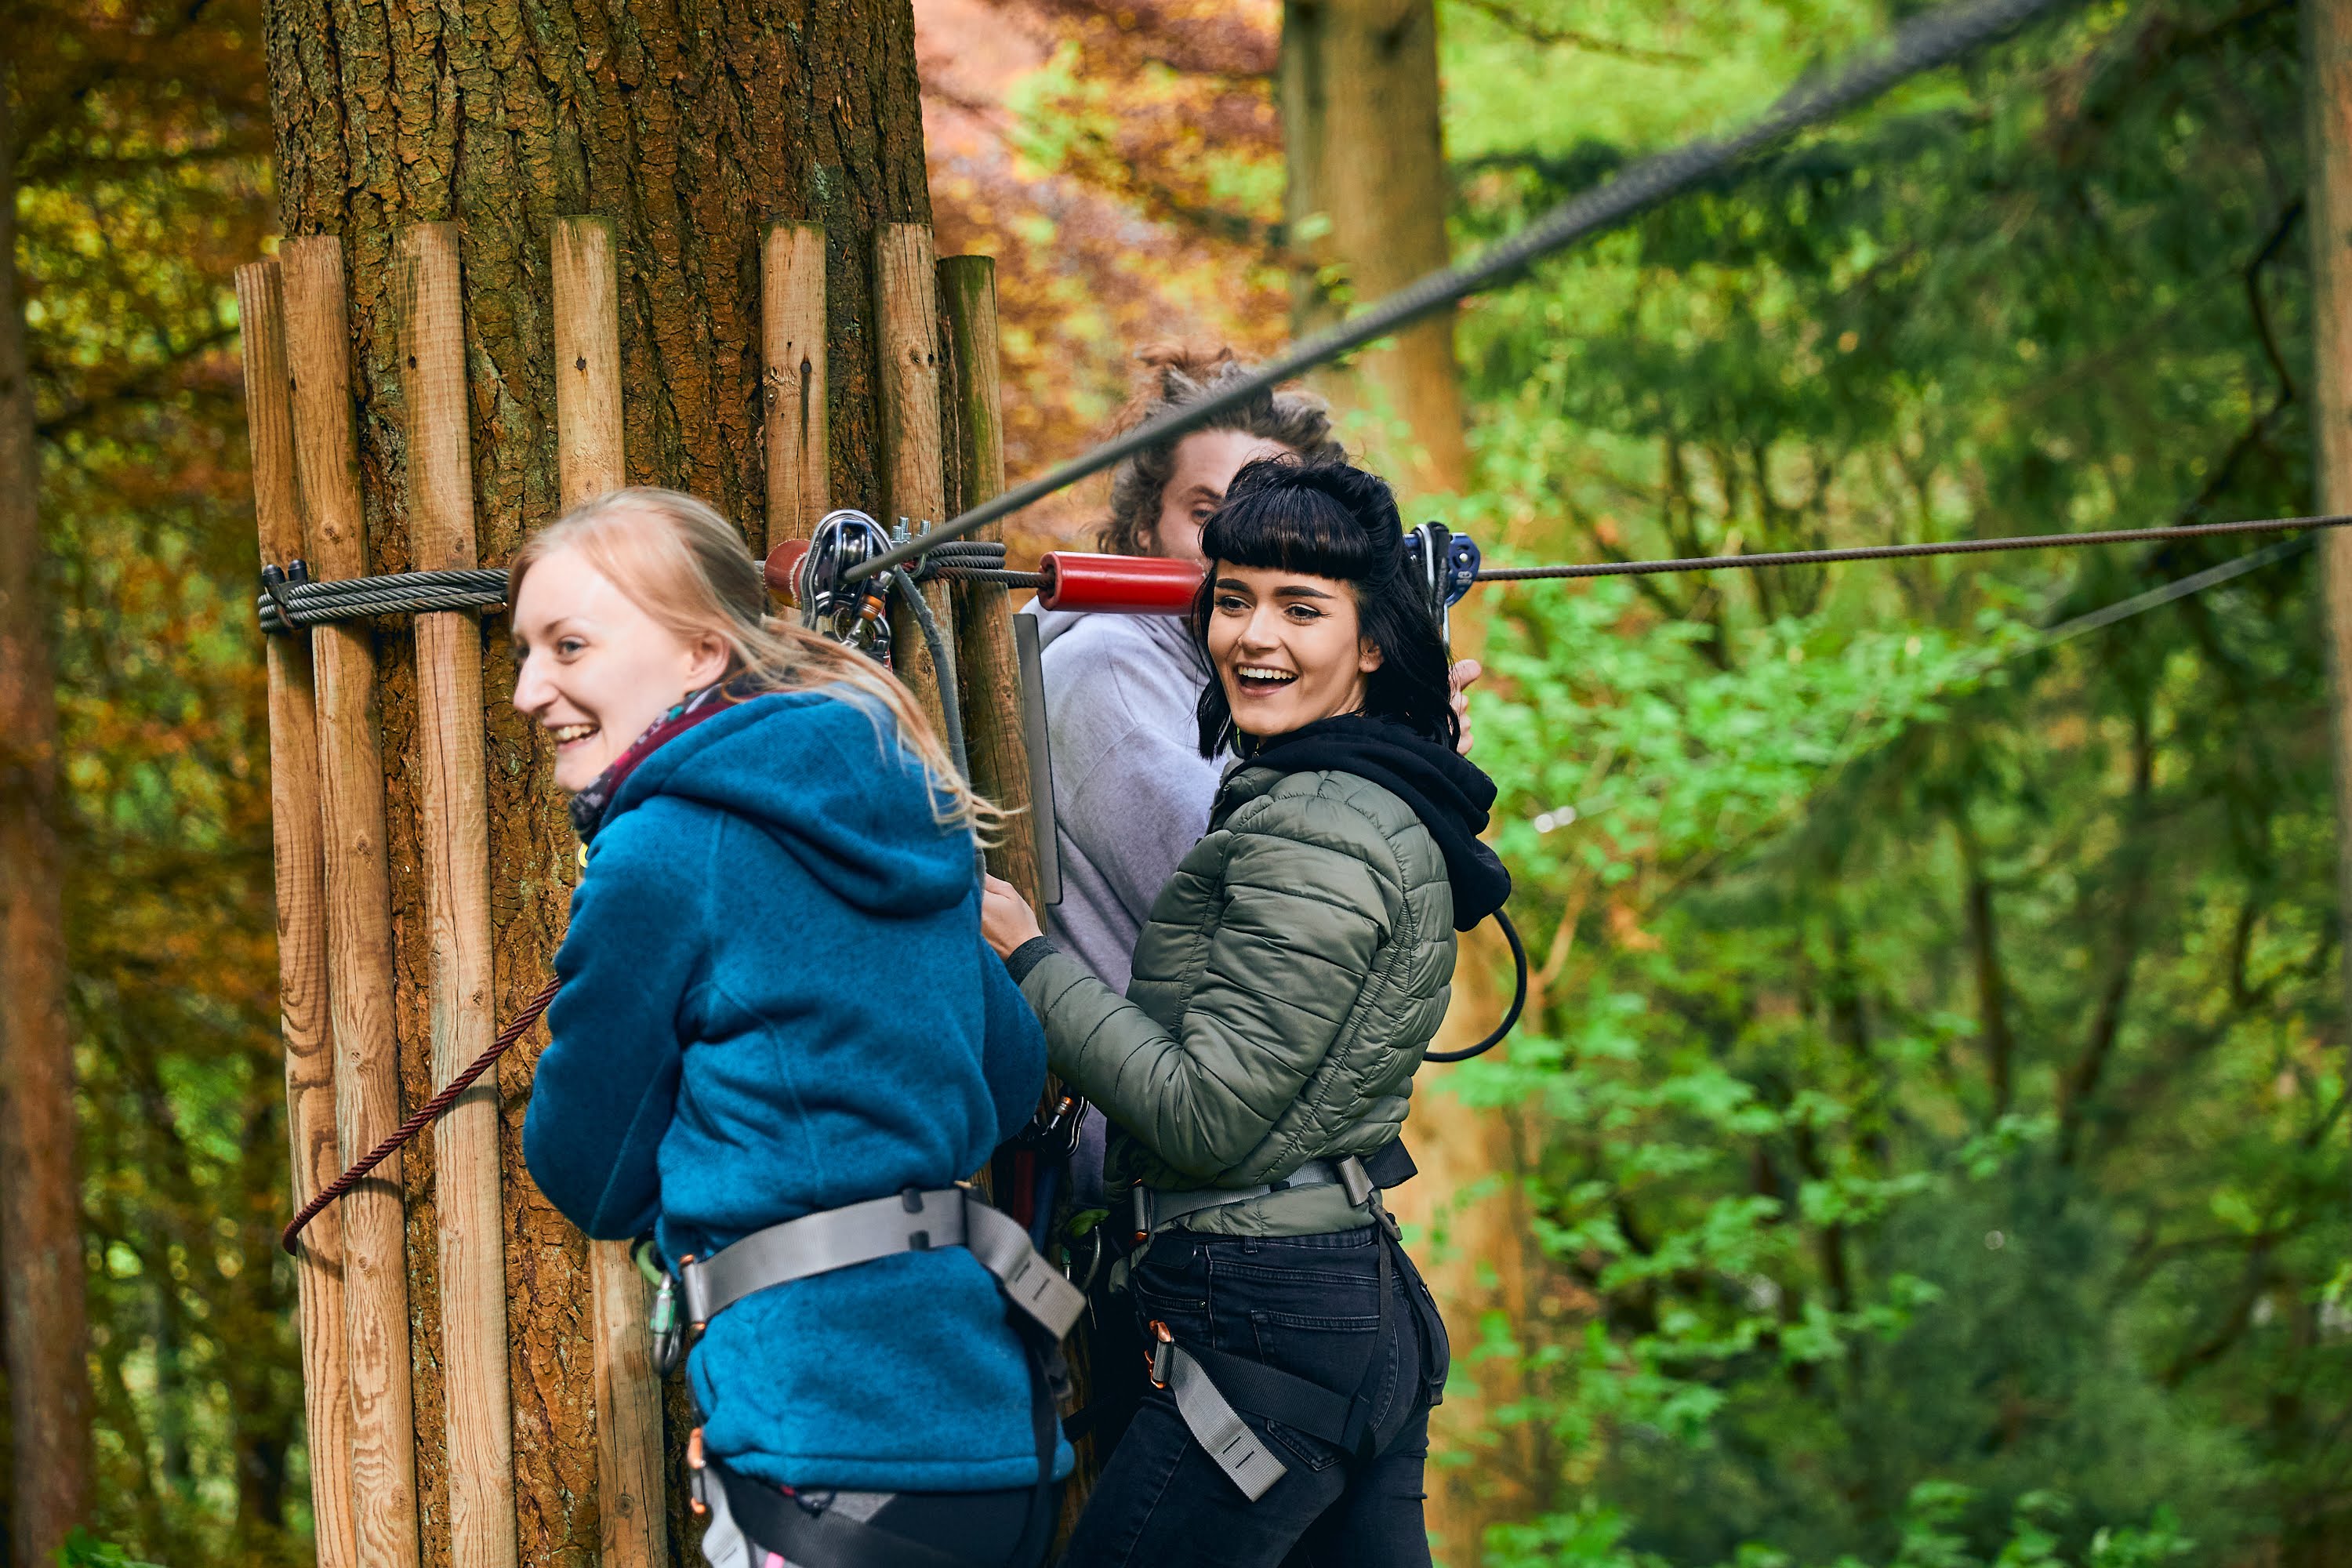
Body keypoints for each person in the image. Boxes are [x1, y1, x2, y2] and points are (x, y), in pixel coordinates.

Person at [510, 488, 1072, 1568]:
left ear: (699, 652)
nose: (534, 689)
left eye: (569, 645)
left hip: (820, 1441)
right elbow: (1006, 1077)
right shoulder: (912, 808)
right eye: (526, 652)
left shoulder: (659, 852)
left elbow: (593, 1172)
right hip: (995, 1432)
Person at [984, 459, 1511, 1566]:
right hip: (1334, 1306)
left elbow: (1206, 1113)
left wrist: (1028, 957)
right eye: (1233, 600)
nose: (1254, 637)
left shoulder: (1313, 828)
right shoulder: (1357, 791)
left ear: (1372, 642)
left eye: (1301, 609)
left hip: (1268, 1323)